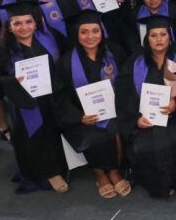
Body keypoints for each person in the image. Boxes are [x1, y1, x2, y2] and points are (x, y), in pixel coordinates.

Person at [0, 0, 68, 193]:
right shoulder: (1, 48)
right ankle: (47, 173)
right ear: (9, 26)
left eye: (28, 22)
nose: (24, 27)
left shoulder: (49, 38)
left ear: (35, 23)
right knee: (31, 138)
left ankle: (56, 167)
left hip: (49, 97)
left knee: (51, 134)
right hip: (22, 104)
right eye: (17, 23)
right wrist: (10, 81)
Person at [53, 11, 132, 199]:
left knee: (116, 127)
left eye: (95, 31)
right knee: (96, 134)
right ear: (76, 34)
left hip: (115, 110)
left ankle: (114, 170)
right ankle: (100, 174)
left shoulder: (115, 53)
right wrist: (79, 116)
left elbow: (128, 83)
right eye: (84, 32)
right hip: (83, 117)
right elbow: (60, 97)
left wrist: (122, 107)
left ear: (102, 31)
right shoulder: (66, 62)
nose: (90, 37)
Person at [119, 15, 176, 197]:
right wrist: (135, 119)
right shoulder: (135, 62)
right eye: (154, 35)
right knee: (144, 146)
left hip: (175, 118)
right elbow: (124, 94)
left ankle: (173, 180)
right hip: (143, 119)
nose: (159, 39)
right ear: (147, 39)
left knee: (173, 140)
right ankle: (165, 183)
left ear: (170, 37)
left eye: (163, 34)